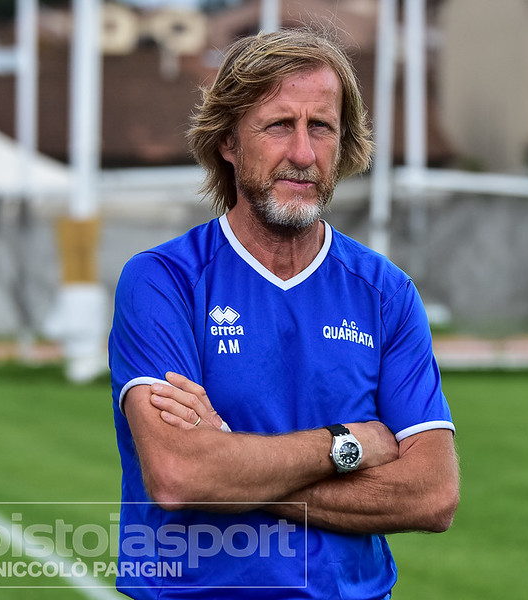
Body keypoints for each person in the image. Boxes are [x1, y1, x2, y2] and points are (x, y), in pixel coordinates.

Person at [109, 27, 459, 599]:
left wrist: (233, 468)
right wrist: (345, 445)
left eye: (320, 127)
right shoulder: (163, 281)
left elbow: (432, 494)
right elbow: (179, 475)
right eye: (278, 125)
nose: (302, 153)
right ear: (228, 141)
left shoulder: (384, 292)